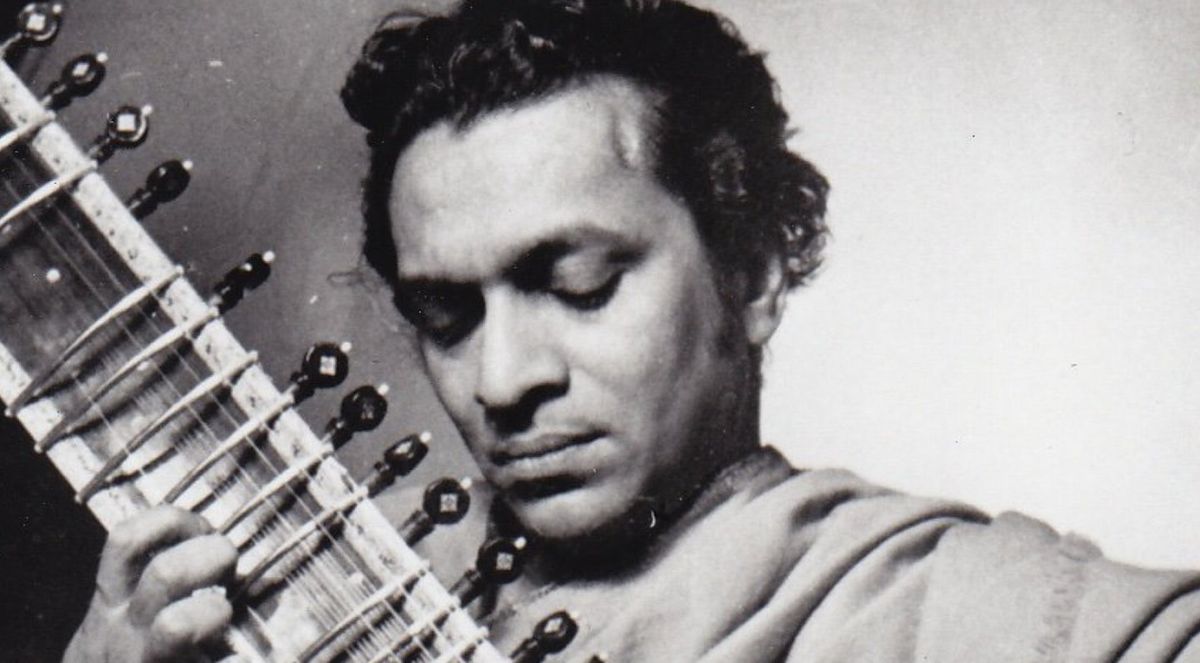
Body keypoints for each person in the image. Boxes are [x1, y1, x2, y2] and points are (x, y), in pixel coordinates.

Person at [64, 0, 1200, 661]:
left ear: (753, 274)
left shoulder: (944, 608)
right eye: (446, 317)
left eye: (580, 284)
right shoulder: (354, 609)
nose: (502, 378)